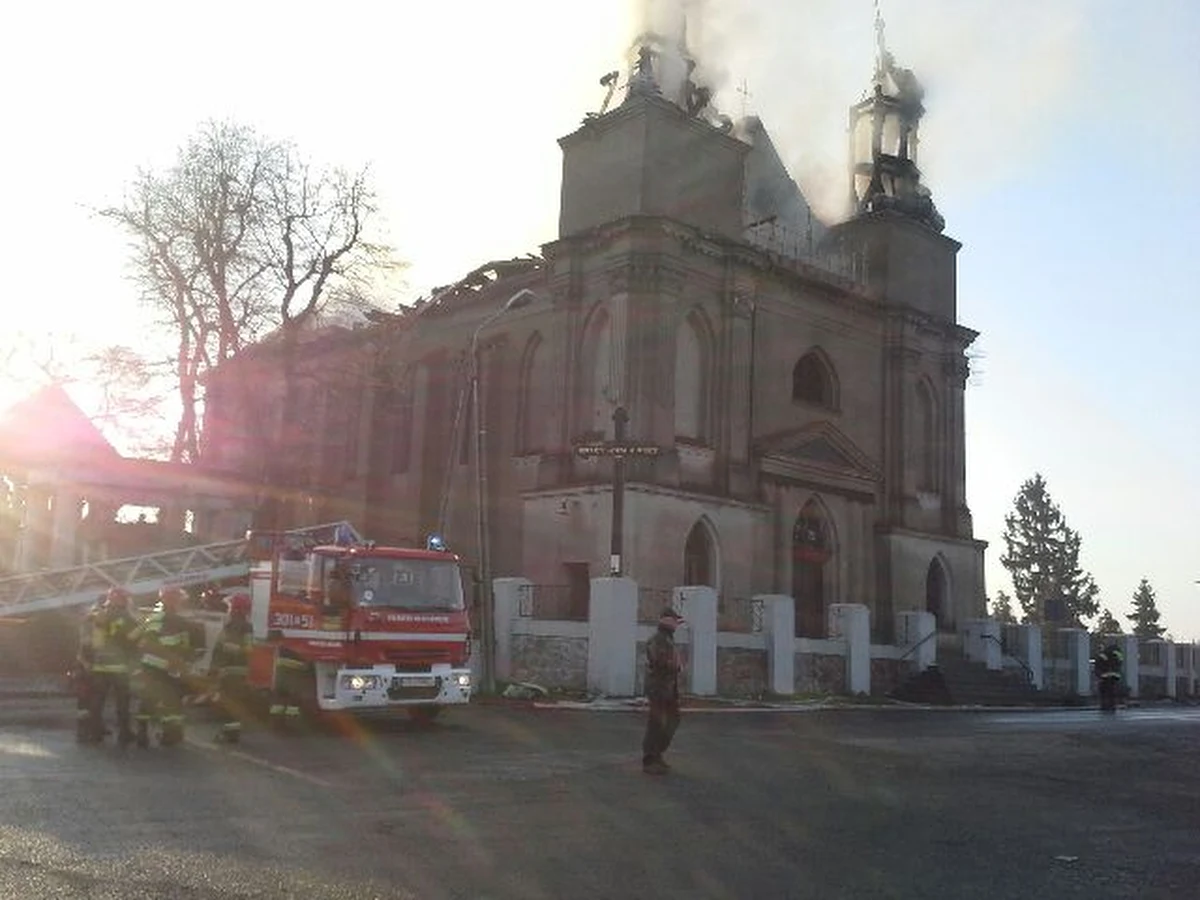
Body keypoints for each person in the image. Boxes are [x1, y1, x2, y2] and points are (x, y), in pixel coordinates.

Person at [130, 587, 194, 747]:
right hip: (167, 667)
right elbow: (184, 648)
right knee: (171, 701)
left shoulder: (152, 617)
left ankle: (142, 734)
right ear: (175, 601)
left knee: (146, 699)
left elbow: (138, 638)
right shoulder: (180, 621)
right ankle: (170, 735)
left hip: (149, 665)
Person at [87, 588, 138, 747]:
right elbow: (132, 638)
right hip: (119, 666)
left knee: (97, 700)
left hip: (99, 664)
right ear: (122, 600)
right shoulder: (125, 616)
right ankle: (124, 733)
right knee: (122, 701)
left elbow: (90, 640)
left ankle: (95, 732)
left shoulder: (98, 615)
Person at [642, 606, 685, 775]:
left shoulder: (667, 639)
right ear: (667, 621)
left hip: (668, 687)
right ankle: (650, 759)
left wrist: (676, 665)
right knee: (657, 723)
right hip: (659, 687)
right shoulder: (659, 639)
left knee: (672, 720)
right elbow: (659, 660)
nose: (677, 624)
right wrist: (674, 664)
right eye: (675, 621)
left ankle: (657, 755)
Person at [209, 592, 254, 743]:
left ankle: (230, 733)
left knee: (228, 702)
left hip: (231, 671)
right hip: (235, 671)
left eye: (230, 607)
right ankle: (231, 732)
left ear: (235, 609)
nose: (229, 610)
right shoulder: (242, 626)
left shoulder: (238, 627)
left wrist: (214, 667)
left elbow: (246, 649)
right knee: (233, 702)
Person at [72, 601, 101, 744]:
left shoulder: (87, 624)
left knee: (88, 699)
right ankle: (89, 729)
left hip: (86, 667)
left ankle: (89, 728)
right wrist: (87, 665)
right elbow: (85, 648)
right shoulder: (90, 625)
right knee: (88, 699)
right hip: (87, 668)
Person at [1094, 642, 1124, 713]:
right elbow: (1120, 662)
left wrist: (1098, 674)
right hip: (1115, 676)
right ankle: (1112, 706)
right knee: (1112, 692)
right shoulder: (1118, 654)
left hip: (1105, 676)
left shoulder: (1103, 654)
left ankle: (1104, 706)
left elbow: (1098, 664)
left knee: (1104, 692)